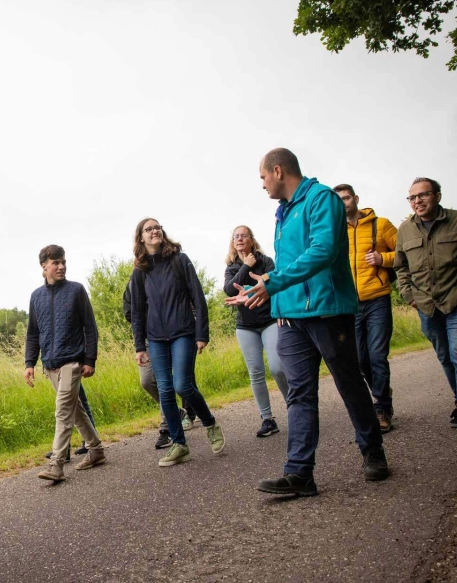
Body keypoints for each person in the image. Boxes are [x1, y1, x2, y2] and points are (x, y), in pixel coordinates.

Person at [227, 148, 389, 497]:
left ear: (278, 170)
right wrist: (269, 296)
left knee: (349, 383)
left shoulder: (322, 199)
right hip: (291, 318)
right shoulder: (282, 212)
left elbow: (323, 251)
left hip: (328, 311)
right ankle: (300, 474)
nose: (262, 184)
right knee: (299, 393)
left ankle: (373, 453)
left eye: (262, 177)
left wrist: (272, 283)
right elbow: (286, 268)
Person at [129, 218, 225, 467]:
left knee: (182, 384)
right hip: (156, 338)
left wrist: (202, 333)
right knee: (165, 390)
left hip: (183, 332)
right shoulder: (140, 271)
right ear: (141, 237)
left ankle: (209, 422)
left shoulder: (180, 260)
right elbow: (137, 311)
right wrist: (140, 346)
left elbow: (198, 296)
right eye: (148, 229)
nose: (154, 231)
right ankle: (179, 444)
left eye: (157, 227)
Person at [25, 244, 106, 482]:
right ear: (44, 267)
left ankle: (56, 464)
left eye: (63, 262)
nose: (61, 267)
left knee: (62, 412)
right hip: (49, 365)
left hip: (72, 362)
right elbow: (33, 333)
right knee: (76, 411)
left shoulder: (76, 290)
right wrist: (29, 363)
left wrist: (89, 359)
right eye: (56, 263)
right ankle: (97, 450)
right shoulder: (36, 297)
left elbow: (90, 327)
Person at [332, 184, 398, 432]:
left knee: (377, 356)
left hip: (378, 298)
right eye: (338, 200)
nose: (344, 203)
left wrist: (383, 259)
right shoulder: (336, 231)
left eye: (346, 198)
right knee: (361, 360)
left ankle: (381, 406)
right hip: (350, 305)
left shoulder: (381, 225)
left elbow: (404, 251)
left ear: (356, 199)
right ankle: (382, 392)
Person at [395, 177, 457, 428]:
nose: (417, 201)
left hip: (454, 301)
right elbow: (401, 268)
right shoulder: (405, 230)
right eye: (412, 197)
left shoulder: (455, 221)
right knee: (444, 356)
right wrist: (409, 297)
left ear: (438, 196)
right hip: (426, 306)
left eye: (423, 195)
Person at [223, 225, 288, 437]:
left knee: (278, 368)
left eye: (244, 236)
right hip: (246, 327)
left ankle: (295, 407)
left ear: (252, 240)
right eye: (236, 237)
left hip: (269, 320)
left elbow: (274, 281)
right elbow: (230, 290)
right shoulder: (232, 268)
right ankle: (267, 419)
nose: (240, 239)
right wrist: (245, 267)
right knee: (256, 373)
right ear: (233, 243)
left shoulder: (266, 261)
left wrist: (255, 272)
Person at [123, 281, 197, 449]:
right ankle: (177, 412)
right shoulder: (134, 282)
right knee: (147, 381)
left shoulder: (165, 274)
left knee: (170, 382)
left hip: (174, 334)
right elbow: (129, 311)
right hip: (149, 337)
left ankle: (167, 428)